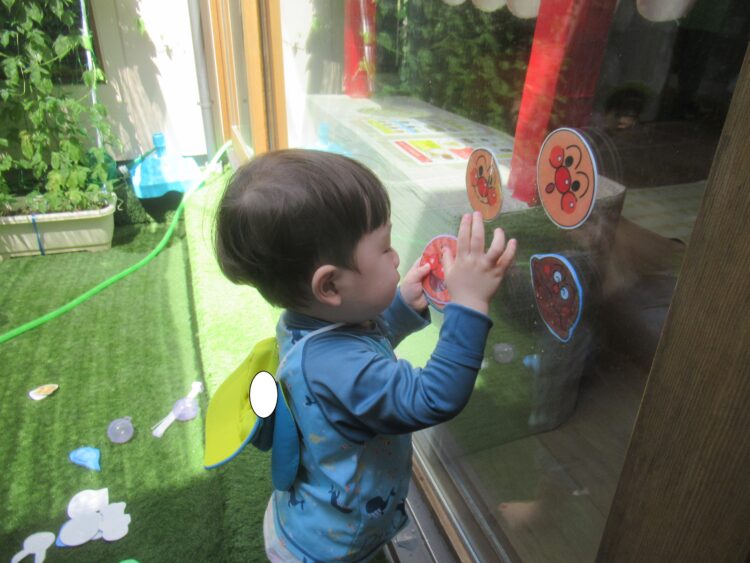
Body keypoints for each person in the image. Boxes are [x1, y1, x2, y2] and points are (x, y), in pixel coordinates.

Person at [214, 149, 517, 562]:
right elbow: (431, 395)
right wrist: (469, 304)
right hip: (327, 547)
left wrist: (401, 306)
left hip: (312, 514)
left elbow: (357, 347)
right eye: (385, 248)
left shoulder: (306, 323)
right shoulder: (336, 369)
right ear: (330, 287)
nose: (396, 257)